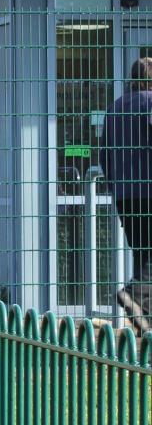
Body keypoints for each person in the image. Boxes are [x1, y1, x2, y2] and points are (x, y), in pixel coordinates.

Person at [100, 57, 152, 335]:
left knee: (142, 254)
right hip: (148, 189)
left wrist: (116, 187)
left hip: (125, 193)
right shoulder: (150, 102)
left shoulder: (115, 107)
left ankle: (145, 324)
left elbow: (104, 155)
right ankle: (132, 293)